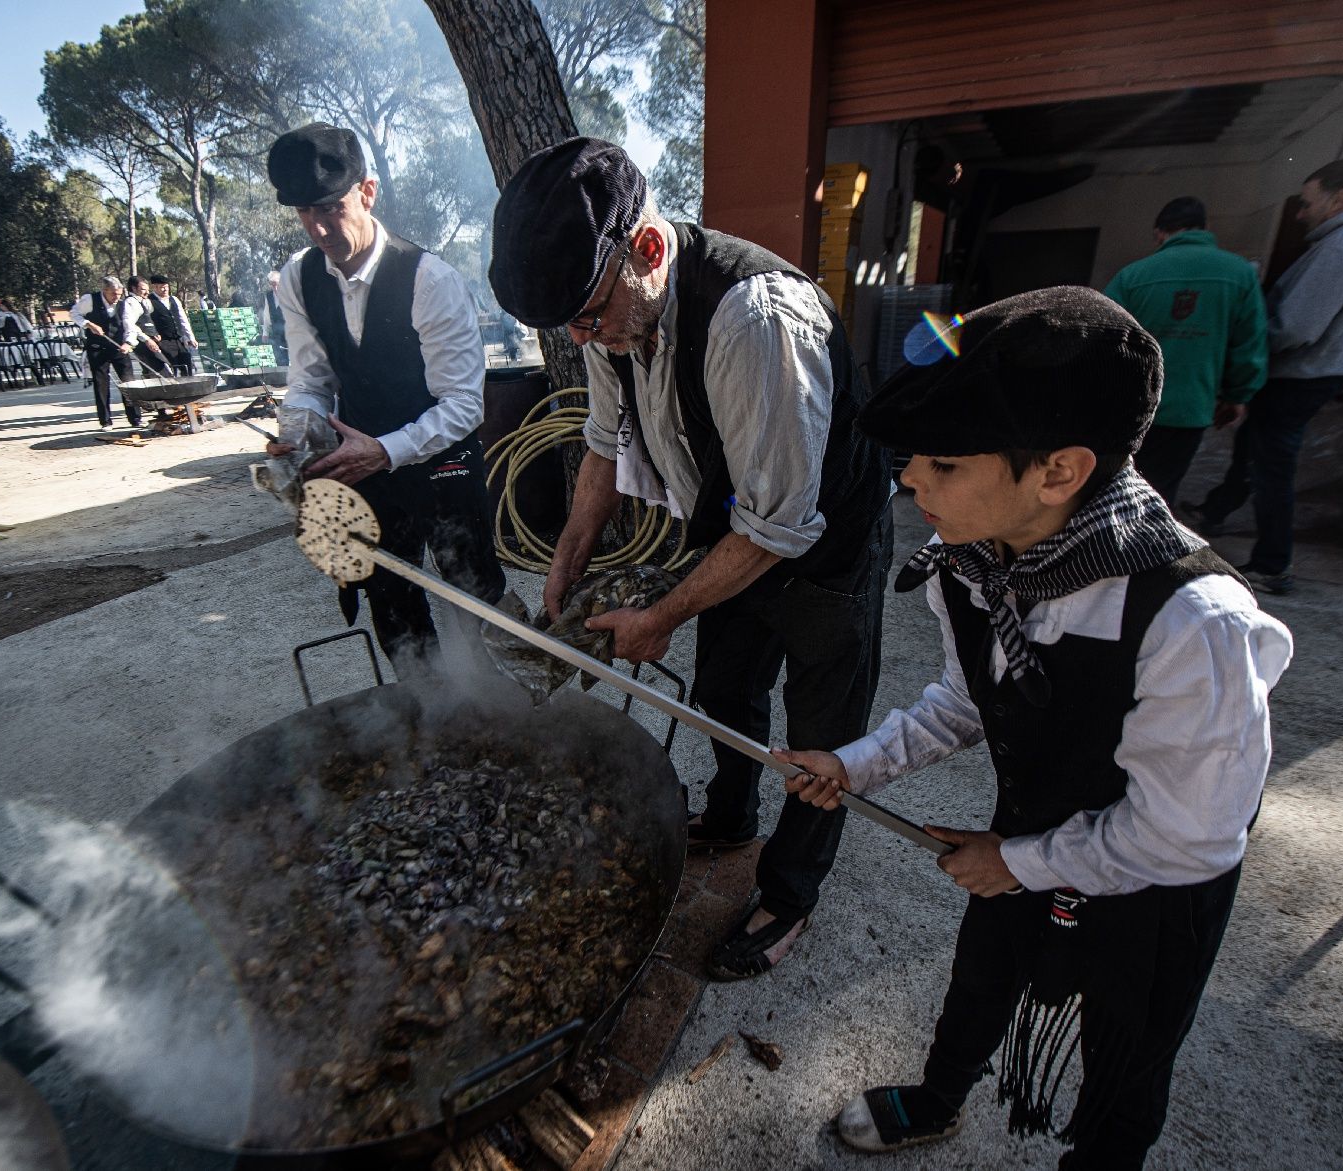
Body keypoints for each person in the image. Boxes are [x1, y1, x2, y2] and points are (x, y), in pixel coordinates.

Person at [774, 287, 1292, 1170]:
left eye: (941, 463)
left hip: (1155, 892)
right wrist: (856, 764)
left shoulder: (1194, 624)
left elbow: (1188, 839)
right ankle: (940, 1098)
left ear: (1058, 471)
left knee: (1127, 1057)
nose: (908, 481)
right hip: (1026, 839)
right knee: (980, 976)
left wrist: (1013, 860)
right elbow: (965, 699)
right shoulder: (972, 567)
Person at [489, 138, 894, 981]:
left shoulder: (755, 321)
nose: (584, 335)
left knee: (822, 739)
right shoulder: (607, 316)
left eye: (589, 315)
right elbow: (603, 447)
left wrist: (660, 615)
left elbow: (781, 525)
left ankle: (790, 891)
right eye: (569, 324)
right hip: (734, 526)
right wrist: (566, 559)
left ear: (645, 248)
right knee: (726, 687)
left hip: (825, 542)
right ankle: (734, 815)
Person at [261, 122, 504, 675]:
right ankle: (423, 712)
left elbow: (465, 404)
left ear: (366, 192)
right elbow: (312, 379)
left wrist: (388, 449)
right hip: (361, 464)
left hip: (442, 461)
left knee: (475, 595)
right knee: (389, 596)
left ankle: (504, 709)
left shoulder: (430, 280)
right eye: (304, 211)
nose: (319, 227)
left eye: (331, 207)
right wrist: (298, 431)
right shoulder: (299, 280)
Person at [1192, 159, 1343, 593]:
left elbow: (1295, 326)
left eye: (1308, 202)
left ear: (1341, 196)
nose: (1300, 213)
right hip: (1339, 363)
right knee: (1255, 445)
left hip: (1304, 370)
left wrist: (1245, 356)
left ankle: (1272, 563)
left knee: (1273, 462)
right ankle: (1217, 509)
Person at [1103, 196, 1266, 507]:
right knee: (1160, 490)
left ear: (1160, 233)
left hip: (1129, 405)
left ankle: (1102, 546)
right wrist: (1237, 396)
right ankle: (1146, 550)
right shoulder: (1240, 275)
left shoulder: (1134, 275)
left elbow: (1101, 336)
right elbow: (1250, 343)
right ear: (1205, 228)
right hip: (1190, 407)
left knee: (1112, 485)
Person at [70, 276, 144, 430]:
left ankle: (135, 418)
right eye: (113, 294)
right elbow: (74, 314)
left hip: (119, 347)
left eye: (119, 294)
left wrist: (128, 343)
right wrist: (88, 324)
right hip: (97, 347)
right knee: (101, 384)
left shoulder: (123, 305)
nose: (116, 298)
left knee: (128, 381)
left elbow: (130, 326)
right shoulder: (90, 300)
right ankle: (106, 421)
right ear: (105, 291)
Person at [146, 275, 199, 375]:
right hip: (163, 341)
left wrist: (190, 337)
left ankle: (189, 386)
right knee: (171, 368)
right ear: (155, 287)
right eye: (162, 287)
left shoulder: (174, 299)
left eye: (166, 286)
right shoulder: (149, 301)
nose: (165, 289)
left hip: (178, 339)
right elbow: (147, 321)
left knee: (187, 364)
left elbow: (183, 320)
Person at [125, 275, 172, 376]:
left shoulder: (144, 301)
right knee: (159, 372)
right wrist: (147, 339)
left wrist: (155, 333)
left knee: (161, 369)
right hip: (143, 344)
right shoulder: (130, 302)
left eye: (147, 289)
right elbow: (131, 325)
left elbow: (148, 321)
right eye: (143, 289)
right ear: (133, 288)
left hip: (152, 342)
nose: (147, 292)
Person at [262, 270, 289, 365]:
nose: (275, 287)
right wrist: (265, 333)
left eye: (276, 284)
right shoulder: (269, 296)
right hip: (276, 333)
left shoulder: (288, 294)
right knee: (279, 358)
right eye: (272, 285)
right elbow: (266, 316)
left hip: (289, 332)